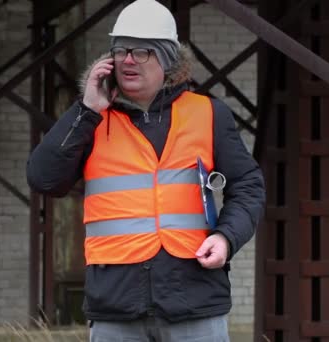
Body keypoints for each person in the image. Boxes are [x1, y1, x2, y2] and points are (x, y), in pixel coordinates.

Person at [26, 0, 265, 340]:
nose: (127, 60)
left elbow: (249, 185)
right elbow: (43, 179)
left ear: (167, 58)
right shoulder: (92, 119)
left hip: (194, 301)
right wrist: (86, 108)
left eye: (142, 52)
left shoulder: (209, 114)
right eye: (121, 50)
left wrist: (226, 237)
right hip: (115, 307)